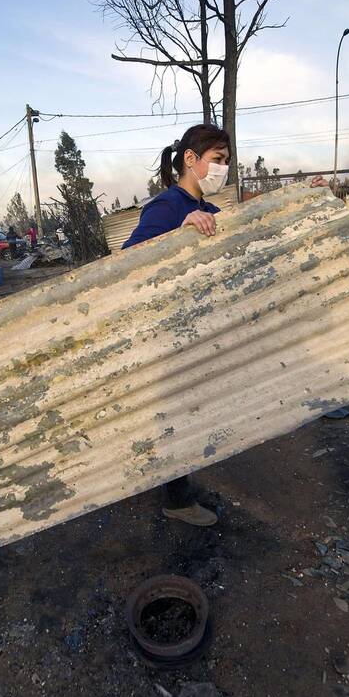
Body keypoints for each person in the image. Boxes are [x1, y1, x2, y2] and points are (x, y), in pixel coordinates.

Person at [120, 123, 235, 526]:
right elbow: (129, 259)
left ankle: (174, 486)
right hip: (168, 331)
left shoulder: (212, 210)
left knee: (188, 411)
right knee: (176, 414)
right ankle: (177, 499)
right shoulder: (168, 206)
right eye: (217, 160)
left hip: (195, 326)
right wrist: (179, 232)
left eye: (226, 162)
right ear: (191, 159)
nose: (223, 169)